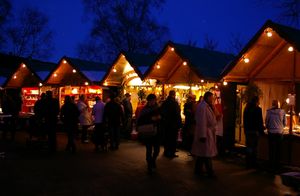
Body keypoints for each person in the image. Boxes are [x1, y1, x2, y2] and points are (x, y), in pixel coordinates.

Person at [191, 92, 218, 178]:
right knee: (207, 153)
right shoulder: (203, 107)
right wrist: (203, 135)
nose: (212, 99)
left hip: (206, 132)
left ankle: (198, 170)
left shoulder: (205, 106)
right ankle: (210, 171)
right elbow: (202, 121)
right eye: (211, 97)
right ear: (208, 97)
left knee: (202, 153)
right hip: (205, 133)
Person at [136, 94, 161, 174]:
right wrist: (151, 119)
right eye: (151, 100)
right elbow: (140, 121)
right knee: (149, 149)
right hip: (148, 132)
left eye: (154, 100)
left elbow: (163, 118)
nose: (153, 102)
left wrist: (160, 118)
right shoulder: (144, 110)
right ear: (148, 100)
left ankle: (153, 160)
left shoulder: (158, 108)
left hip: (157, 132)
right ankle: (150, 164)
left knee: (157, 150)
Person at [243, 96, 265, 168]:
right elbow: (259, 121)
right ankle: (253, 162)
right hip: (255, 131)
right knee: (254, 147)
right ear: (257, 101)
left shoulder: (246, 109)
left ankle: (248, 162)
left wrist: (245, 130)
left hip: (248, 130)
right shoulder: (258, 109)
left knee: (249, 146)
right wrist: (261, 131)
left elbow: (245, 120)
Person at [265, 100, 286, 172]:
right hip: (279, 133)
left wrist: (269, 127)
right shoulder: (282, 112)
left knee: (271, 150)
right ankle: (278, 166)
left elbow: (266, 122)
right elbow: (285, 123)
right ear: (279, 105)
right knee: (278, 150)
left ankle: (271, 166)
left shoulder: (269, 112)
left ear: (272, 104)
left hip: (271, 133)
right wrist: (280, 127)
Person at [160, 90, 182, 158]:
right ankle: (171, 153)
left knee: (167, 138)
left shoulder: (165, 102)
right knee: (172, 139)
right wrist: (179, 124)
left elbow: (161, 112)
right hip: (173, 124)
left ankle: (166, 151)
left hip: (166, 124)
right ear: (174, 95)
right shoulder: (174, 103)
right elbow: (177, 114)